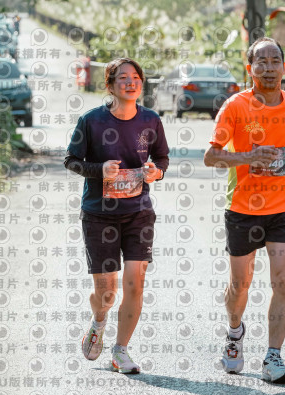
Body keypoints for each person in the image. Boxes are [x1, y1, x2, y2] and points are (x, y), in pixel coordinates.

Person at [204, 37, 285, 383]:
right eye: (262, 62)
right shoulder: (235, 106)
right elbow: (211, 156)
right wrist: (248, 157)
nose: (269, 68)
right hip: (242, 207)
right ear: (250, 68)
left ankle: (273, 357)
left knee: (283, 281)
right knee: (240, 284)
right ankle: (234, 332)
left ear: (284, 67)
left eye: (275, 61)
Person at [64, 58, 169, 373]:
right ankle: (99, 320)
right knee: (107, 293)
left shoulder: (151, 120)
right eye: (122, 77)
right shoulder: (91, 121)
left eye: (135, 77)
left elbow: (162, 158)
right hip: (99, 215)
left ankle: (120, 350)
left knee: (135, 284)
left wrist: (156, 172)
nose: (130, 82)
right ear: (109, 85)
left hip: (139, 213)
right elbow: (71, 160)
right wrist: (100, 170)